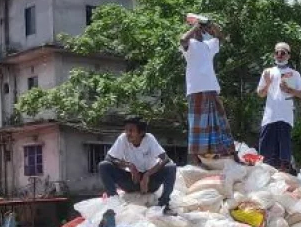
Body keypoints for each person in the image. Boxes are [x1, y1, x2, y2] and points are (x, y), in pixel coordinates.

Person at [180, 14, 234, 164]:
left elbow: (221, 37)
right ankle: (195, 163)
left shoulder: (208, 45)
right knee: (197, 128)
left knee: (219, 126)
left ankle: (225, 157)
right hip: (196, 90)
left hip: (211, 88)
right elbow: (182, 39)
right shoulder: (189, 45)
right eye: (197, 28)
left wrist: (210, 24)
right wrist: (196, 26)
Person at [98, 117, 177, 213]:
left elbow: (165, 158)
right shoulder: (123, 138)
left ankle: (164, 204)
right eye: (126, 130)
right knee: (104, 165)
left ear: (141, 133)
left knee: (171, 167)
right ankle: (114, 203)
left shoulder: (149, 139)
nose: (128, 133)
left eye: (131, 130)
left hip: (150, 182)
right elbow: (109, 158)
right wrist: (130, 166)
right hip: (131, 181)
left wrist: (147, 174)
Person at [256, 42, 301, 172]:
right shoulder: (268, 72)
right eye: (277, 52)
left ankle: (283, 180)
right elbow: (260, 94)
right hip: (270, 117)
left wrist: (290, 89)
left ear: (288, 56)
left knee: (283, 158)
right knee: (266, 155)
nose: (279, 55)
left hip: (285, 117)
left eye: (283, 52)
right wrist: (267, 83)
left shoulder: (294, 74)